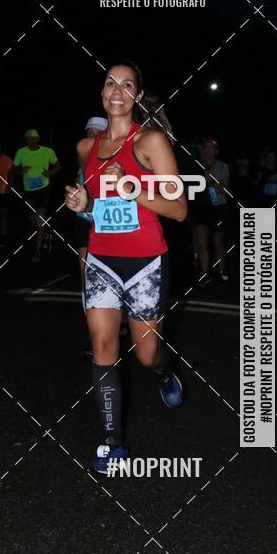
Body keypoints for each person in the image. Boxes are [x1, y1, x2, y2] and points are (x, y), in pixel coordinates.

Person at [65, 60, 187, 475]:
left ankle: (165, 372)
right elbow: (98, 210)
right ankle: (112, 443)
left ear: (136, 95)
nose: (117, 90)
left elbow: (179, 209)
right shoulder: (86, 148)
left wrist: (132, 187)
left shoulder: (150, 142)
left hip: (146, 262)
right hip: (101, 258)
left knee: (146, 352)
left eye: (127, 85)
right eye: (110, 83)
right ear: (102, 91)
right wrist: (84, 207)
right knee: (102, 346)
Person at [10, 129, 61, 261]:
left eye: (33, 138)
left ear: (38, 139)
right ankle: (46, 235)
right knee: (32, 221)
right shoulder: (21, 152)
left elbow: (58, 166)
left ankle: (37, 252)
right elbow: (13, 170)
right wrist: (21, 172)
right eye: (28, 138)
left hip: (44, 188)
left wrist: (49, 173)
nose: (31, 140)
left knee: (39, 219)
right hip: (28, 190)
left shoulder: (47, 151)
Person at [73, 117, 108, 304]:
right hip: (84, 218)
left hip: (108, 220)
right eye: (89, 133)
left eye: (97, 133)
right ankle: (90, 304)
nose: (92, 137)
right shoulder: (83, 154)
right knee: (85, 265)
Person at [192, 138, 230, 285]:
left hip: (219, 207)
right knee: (201, 242)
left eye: (211, 148)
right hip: (201, 207)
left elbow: (225, 189)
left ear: (216, 151)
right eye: (205, 148)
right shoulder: (196, 166)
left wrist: (210, 181)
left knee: (217, 241)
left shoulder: (222, 166)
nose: (208, 151)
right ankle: (204, 272)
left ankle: (221, 270)